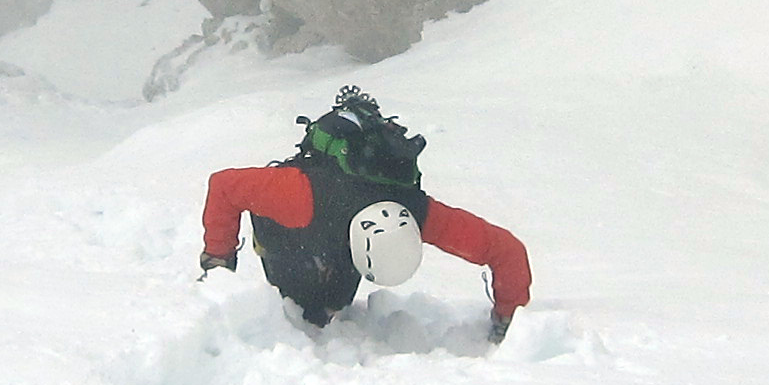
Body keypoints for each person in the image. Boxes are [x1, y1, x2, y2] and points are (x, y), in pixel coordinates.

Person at [201, 86, 532, 342]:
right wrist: (218, 260)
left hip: (327, 245)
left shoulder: (413, 210)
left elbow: (506, 251)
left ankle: (324, 301)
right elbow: (225, 187)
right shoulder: (302, 194)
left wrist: (508, 318)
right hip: (294, 236)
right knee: (307, 295)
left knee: (324, 300)